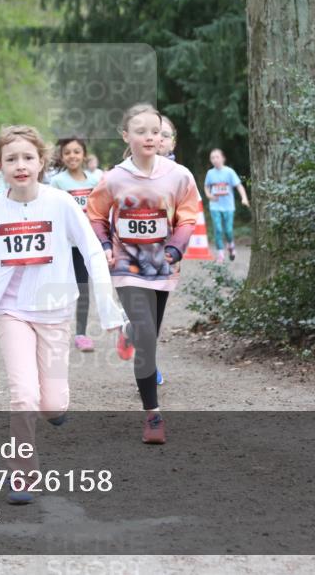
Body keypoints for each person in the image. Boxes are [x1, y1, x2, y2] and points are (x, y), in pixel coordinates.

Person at [0, 125, 125, 504]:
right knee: (23, 396)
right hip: (11, 311)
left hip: (55, 312)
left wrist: (109, 311)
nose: (20, 165)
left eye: (28, 158)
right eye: (11, 159)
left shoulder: (60, 203)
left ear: (42, 162)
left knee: (51, 403)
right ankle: (23, 476)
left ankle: (55, 410)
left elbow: (91, 251)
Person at [86, 103, 198, 445]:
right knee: (147, 336)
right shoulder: (115, 177)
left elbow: (188, 215)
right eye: (141, 131)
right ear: (126, 136)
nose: (150, 137)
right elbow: (94, 214)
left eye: (155, 131)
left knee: (149, 331)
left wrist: (176, 248)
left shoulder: (180, 176)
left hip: (163, 266)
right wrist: (105, 244)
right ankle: (153, 414)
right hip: (126, 265)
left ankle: (130, 332)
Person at [49, 137, 100, 352]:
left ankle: (80, 333)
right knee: (61, 288)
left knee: (83, 288)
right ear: (62, 156)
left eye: (77, 152)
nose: (72, 156)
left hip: (84, 244)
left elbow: (99, 212)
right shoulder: (58, 183)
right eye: (68, 152)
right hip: (63, 245)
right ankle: (54, 331)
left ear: (84, 155)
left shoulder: (95, 181)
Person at [204, 148, 249, 262]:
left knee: (228, 230)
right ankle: (220, 254)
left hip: (228, 206)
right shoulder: (210, 173)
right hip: (215, 206)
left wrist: (244, 198)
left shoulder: (229, 172)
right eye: (212, 157)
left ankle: (231, 245)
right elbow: (206, 187)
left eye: (217, 157)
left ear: (223, 158)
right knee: (218, 229)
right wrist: (209, 195)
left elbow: (239, 186)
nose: (214, 159)